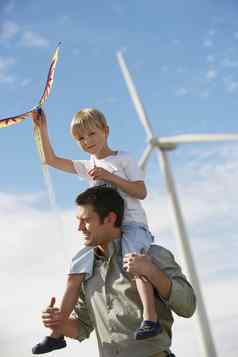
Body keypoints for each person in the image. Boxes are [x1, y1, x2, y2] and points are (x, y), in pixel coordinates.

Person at [32, 107, 161, 354]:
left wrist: (107, 176)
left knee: (134, 261)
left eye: (91, 134)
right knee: (76, 269)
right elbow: (50, 159)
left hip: (131, 226)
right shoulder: (87, 164)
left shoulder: (123, 159)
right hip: (103, 230)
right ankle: (56, 334)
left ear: (106, 131)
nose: (87, 141)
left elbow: (140, 192)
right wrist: (41, 129)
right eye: (80, 138)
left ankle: (150, 318)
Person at [36, 186, 196, 357]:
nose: (80, 228)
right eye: (78, 220)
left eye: (86, 220)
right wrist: (58, 322)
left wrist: (153, 272)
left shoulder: (152, 255)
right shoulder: (85, 272)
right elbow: (82, 327)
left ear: (110, 218)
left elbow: (188, 306)